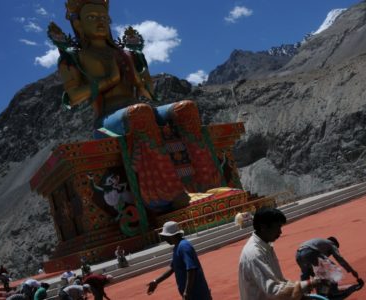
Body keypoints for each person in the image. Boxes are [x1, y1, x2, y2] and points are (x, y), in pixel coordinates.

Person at [48, 0, 223, 214]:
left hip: (137, 108)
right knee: (140, 113)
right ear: (78, 24)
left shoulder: (125, 55)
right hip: (108, 118)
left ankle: (208, 183)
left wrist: (142, 65)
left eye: (103, 17)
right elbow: (73, 97)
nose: (100, 22)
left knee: (185, 108)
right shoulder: (73, 58)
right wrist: (109, 80)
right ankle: (165, 194)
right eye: (92, 18)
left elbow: (147, 92)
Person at [239, 208, 325, 300]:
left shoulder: (265, 247)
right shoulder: (254, 253)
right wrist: (310, 283)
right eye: (277, 227)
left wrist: (300, 295)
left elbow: (280, 282)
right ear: (263, 227)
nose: (280, 232)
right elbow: (274, 290)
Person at [147, 221, 212, 300]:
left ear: (172, 236)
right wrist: (156, 281)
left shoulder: (183, 246)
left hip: (197, 293)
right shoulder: (177, 247)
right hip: (192, 294)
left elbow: (191, 269)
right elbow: (172, 268)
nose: (165, 239)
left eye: (166, 236)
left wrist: (187, 292)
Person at [295, 237, 361, 282]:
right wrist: (352, 271)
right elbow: (339, 258)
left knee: (305, 274)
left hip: (298, 254)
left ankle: (304, 295)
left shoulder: (321, 243)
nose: (330, 254)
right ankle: (329, 292)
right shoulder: (331, 244)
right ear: (334, 244)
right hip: (309, 252)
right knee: (327, 269)